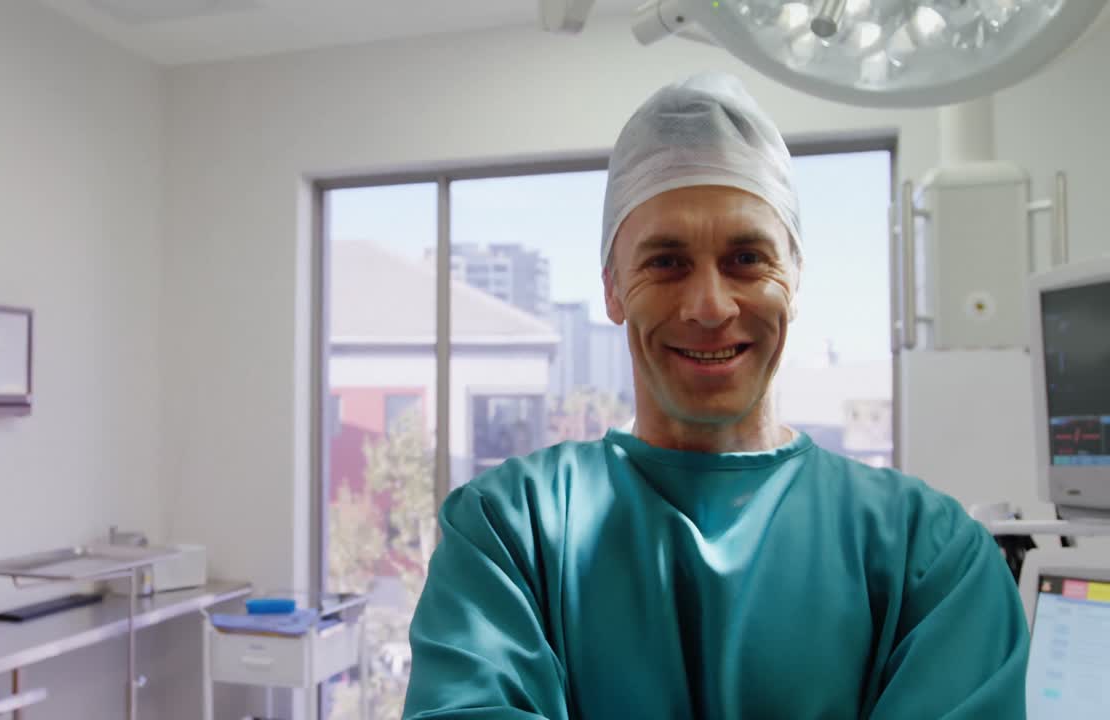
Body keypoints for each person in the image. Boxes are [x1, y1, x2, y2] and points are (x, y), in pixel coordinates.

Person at [400, 72, 1030, 719]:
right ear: (613, 289)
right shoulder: (510, 534)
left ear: (795, 280)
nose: (709, 305)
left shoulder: (929, 560)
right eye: (666, 262)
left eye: (747, 259)